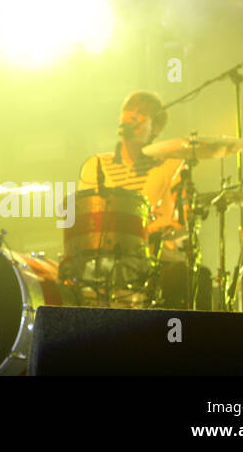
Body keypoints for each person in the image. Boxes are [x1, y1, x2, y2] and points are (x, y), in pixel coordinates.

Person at [75, 90, 209, 308]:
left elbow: (184, 223)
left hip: (160, 260)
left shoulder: (171, 166)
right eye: (128, 111)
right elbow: (86, 219)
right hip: (108, 260)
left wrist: (155, 231)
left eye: (141, 113)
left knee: (196, 276)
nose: (131, 116)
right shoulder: (97, 165)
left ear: (155, 128)